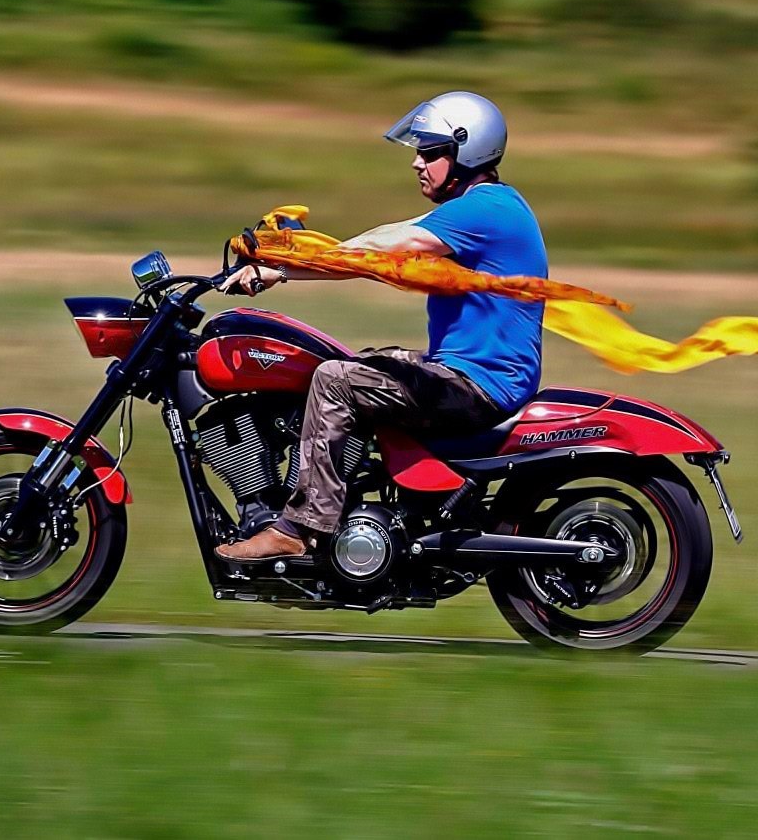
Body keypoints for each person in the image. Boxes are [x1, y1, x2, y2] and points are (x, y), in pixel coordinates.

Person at [214, 91, 548, 561]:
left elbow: (382, 245)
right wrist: (280, 271)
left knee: (334, 380)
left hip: (477, 385)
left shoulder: (487, 210)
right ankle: (363, 500)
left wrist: (285, 261)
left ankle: (299, 527)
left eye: (431, 152)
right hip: (471, 374)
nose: (417, 162)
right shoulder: (479, 206)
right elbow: (373, 253)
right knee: (358, 364)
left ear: (467, 152)